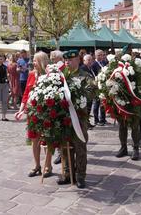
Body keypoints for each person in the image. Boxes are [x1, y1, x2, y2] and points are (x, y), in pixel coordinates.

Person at [57, 50, 95, 189]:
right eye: (66, 60)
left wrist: (80, 95)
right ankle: (68, 174)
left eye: (71, 60)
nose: (67, 62)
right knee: (65, 147)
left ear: (78, 60)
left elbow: (92, 91)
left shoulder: (85, 76)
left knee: (80, 146)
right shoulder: (60, 76)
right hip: (64, 117)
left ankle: (80, 176)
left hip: (79, 117)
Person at [15, 52, 53, 178]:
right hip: (32, 112)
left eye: (35, 61)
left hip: (46, 113)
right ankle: (37, 165)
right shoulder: (31, 74)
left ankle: (48, 166)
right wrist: (21, 110)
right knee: (34, 139)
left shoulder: (50, 75)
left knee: (46, 140)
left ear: (42, 61)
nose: (33, 63)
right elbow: (26, 93)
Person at [80, 54, 96, 130]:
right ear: (84, 61)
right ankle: (86, 123)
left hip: (90, 92)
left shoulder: (90, 68)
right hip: (86, 91)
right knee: (86, 108)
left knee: (89, 108)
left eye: (91, 60)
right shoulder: (83, 68)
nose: (90, 61)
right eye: (88, 60)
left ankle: (87, 122)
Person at [91, 49, 106, 126]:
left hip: (104, 86)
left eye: (102, 55)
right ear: (96, 56)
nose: (101, 56)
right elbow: (93, 76)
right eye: (99, 55)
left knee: (103, 103)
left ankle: (103, 119)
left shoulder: (104, 62)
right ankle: (96, 120)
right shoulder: (93, 64)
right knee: (96, 103)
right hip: (97, 86)